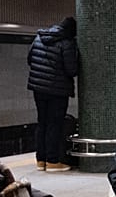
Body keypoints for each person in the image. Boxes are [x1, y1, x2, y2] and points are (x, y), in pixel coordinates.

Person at [27, 16, 79, 172]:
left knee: (42, 122)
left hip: (38, 88)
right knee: (54, 124)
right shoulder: (67, 43)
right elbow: (72, 69)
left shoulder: (39, 38)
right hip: (57, 90)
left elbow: (30, 59)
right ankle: (53, 161)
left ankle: (40, 160)